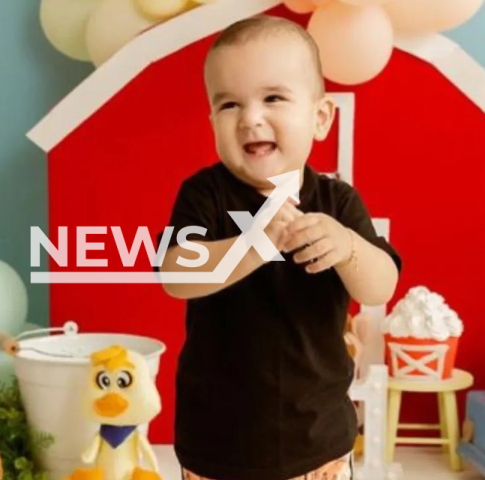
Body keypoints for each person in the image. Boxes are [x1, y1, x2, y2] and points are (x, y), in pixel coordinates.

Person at [157, 15, 402, 480]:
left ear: (320, 117)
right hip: (218, 443)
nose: (250, 118)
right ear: (211, 120)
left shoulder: (335, 201)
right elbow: (176, 275)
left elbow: (381, 284)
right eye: (229, 104)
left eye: (273, 97)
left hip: (318, 443)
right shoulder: (205, 194)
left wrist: (348, 247)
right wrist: (256, 241)